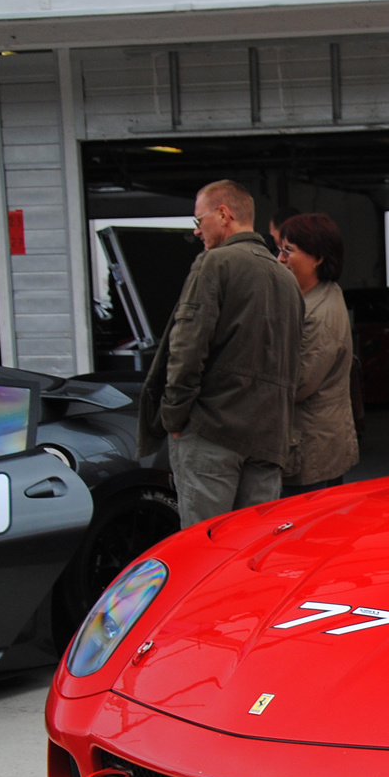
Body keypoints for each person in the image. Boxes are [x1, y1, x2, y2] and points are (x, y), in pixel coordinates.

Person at [138, 179, 304, 528]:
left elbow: (187, 349)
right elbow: (293, 361)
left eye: (199, 221)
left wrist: (174, 418)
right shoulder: (286, 278)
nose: (198, 232)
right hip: (267, 439)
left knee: (205, 547)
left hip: (213, 431)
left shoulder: (214, 263)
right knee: (250, 548)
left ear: (224, 214)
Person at [277, 212, 359, 496]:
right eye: (280, 250)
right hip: (315, 443)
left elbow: (299, 384)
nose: (280, 259)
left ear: (318, 258)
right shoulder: (317, 294)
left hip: (311, 447)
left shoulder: (320, 314)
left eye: (289, 251)